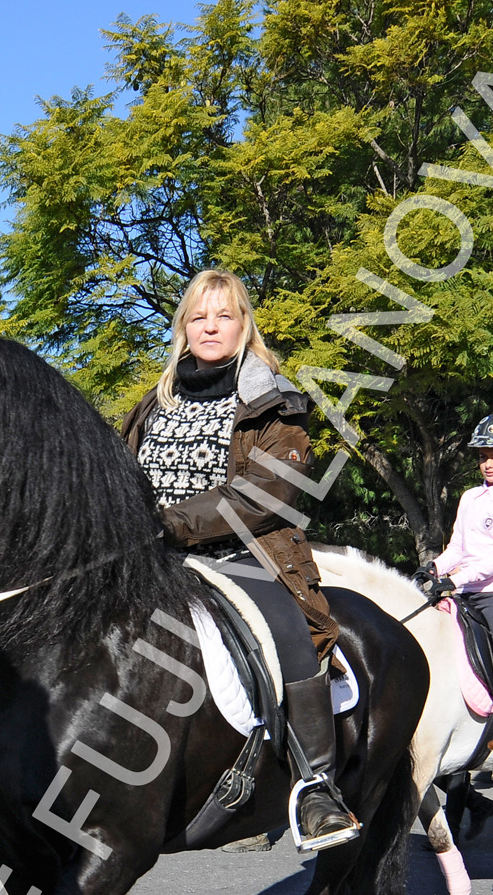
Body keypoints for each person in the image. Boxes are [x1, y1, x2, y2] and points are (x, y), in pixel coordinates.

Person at [121, 267, 358, 852]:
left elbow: (264, 495)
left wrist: (170, 524)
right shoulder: (155, 401)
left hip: (245, 556)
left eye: (224, 315)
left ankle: (316, 786)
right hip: (148, 556)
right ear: (183, 326)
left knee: (288, 633)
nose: (210, 326)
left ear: (243, 324)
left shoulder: (275, 403)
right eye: (199, 315)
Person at [416, 411, 493, 777]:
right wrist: (435, 567)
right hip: (464, 589)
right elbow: (457, 547)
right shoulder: (469, 497)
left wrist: (457, 578)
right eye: (483, 457)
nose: (487, 464)